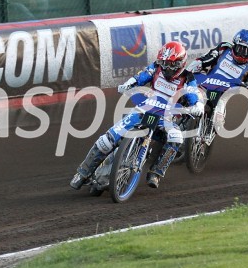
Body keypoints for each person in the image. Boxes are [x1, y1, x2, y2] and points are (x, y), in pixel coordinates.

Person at [70, 41, 204, 190]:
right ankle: (82, 173)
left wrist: (197, 106)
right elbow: (141, 76)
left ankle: (156, 173)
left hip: (166, 119)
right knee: (107, 140)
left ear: (180, 63)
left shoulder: (188, 78)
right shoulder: (156, 67)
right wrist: (129, 84)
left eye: (170, 64)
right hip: (144, 109)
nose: (166, 67)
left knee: (176, 138)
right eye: (164, 63)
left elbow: (193, 94)